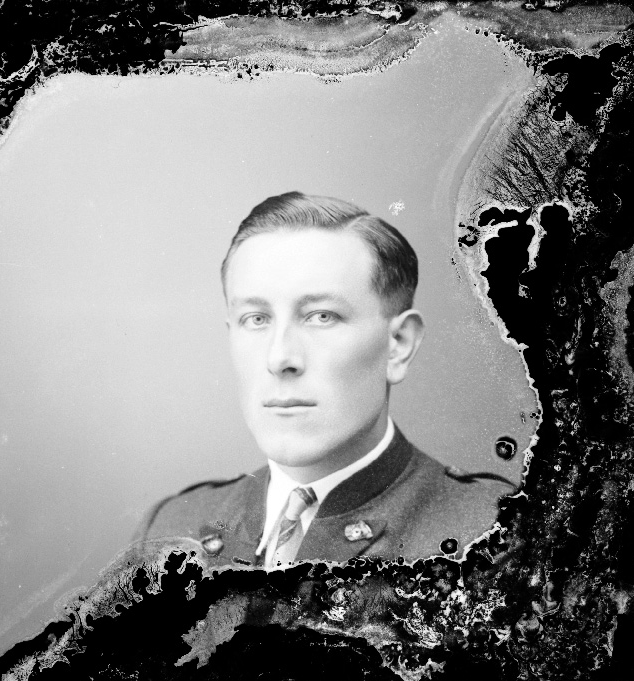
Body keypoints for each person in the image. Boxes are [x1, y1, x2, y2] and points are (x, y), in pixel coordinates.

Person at [139, 191, 512, 568]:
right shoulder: (170, 528)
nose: (279, 358)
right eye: (256, 319)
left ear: (398, 345)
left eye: (322, 316)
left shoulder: (497, 535)